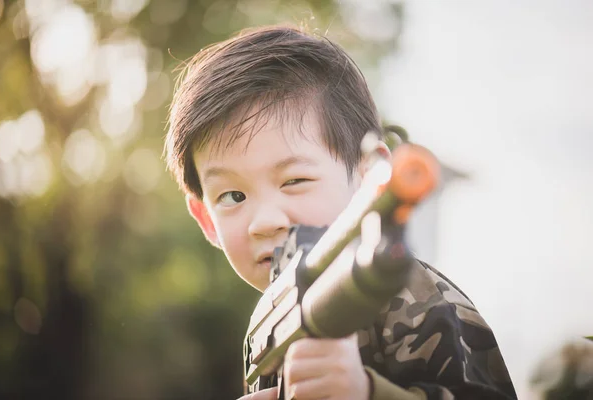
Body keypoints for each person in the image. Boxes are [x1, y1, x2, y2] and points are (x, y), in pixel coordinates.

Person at [164, 24, 517, 400]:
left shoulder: (405, 291)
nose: (265, 221)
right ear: (206, 220)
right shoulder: (267, 323)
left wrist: (364, 393)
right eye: (233, 196)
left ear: (369, 177)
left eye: (295, 180)